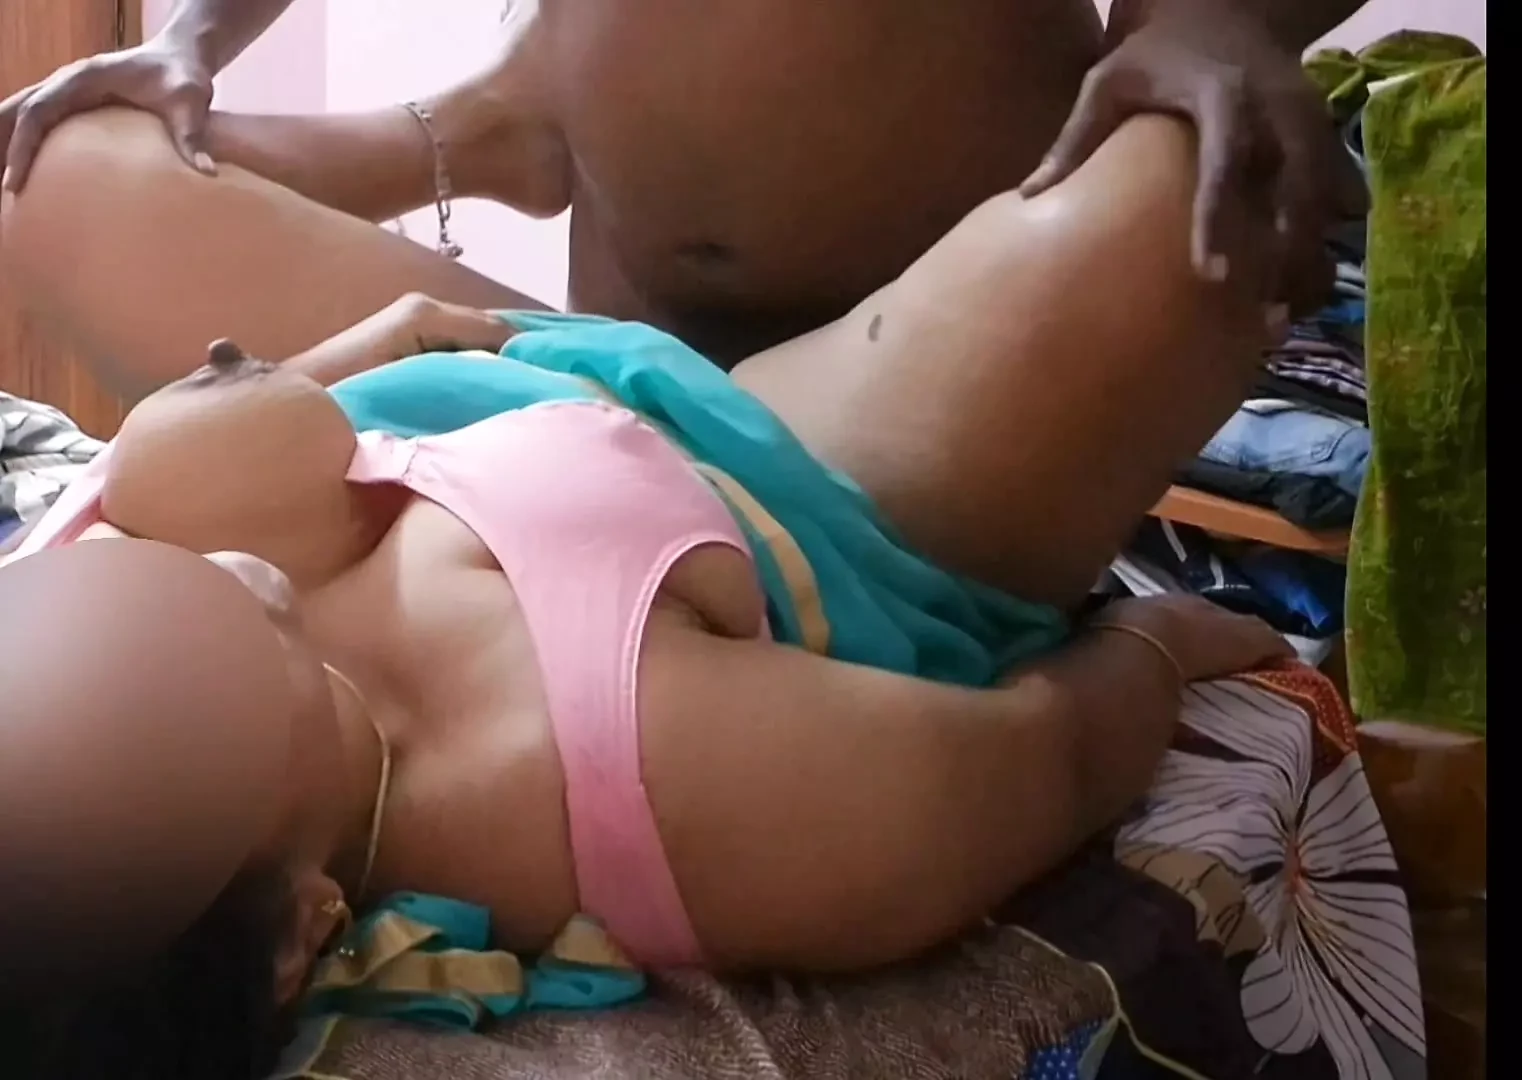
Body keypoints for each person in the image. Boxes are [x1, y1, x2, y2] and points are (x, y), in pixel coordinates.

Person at [0, 102, 1307, 1078]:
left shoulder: (62, 650)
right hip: (804, 457)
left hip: (490, 354)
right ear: (301, 932)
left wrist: (381, 340)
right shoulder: (627, 769)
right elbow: (1033, 763)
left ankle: (506, 122)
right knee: (1204, 168)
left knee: (53, 165)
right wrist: (1161, 645)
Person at [0, 0, 1366, 379]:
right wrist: (192, 39)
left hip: (915, 384)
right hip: (612, 370)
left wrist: (1212, 15)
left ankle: (493, 125)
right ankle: (514, 119)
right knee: (54, 168)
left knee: (1183, 187)